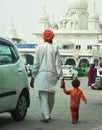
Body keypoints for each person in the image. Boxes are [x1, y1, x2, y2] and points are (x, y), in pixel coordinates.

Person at [30, 29, 65, 123]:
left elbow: (36, 63)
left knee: (43, 96)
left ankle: (46, 116)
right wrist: (61, 78)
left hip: (41, 74)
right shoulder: (55, 48)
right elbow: (58, 64)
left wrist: (33, 77)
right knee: (51, 96)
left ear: (43, 37)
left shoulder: (38, 47)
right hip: (52, 75)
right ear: (52, 38)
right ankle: (48, 114)